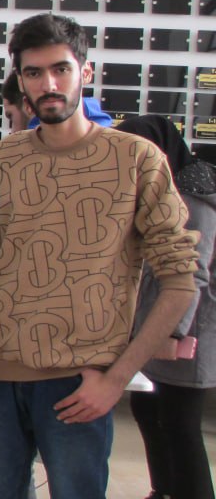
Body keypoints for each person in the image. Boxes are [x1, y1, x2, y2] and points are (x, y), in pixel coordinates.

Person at [0, 13, 198, 499]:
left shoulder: (136, 158)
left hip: (79, 381)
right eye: (34, 72)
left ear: (85, 71)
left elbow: (179, 282)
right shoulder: (9, 157)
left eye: (60, 69)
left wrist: (117, 378)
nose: (48, 85)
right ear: (20, 80)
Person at [118, 115, 216, 499]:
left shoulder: (194, 193)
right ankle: (163, 491)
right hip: (157, 326)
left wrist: (171, 332)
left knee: (180, 423)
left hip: (189, 330)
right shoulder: (161, 187)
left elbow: (194, 272)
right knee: (147, 410)